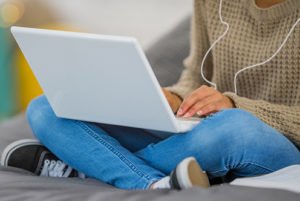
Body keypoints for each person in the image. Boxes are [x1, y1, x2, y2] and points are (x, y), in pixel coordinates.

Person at [2, 0, 300, 190]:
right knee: (47, 107)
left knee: (234, 129)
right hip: (202, 126)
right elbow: (194, 77)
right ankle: (153, 184)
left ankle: (86, 167)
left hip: (268, 141)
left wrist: (236, 105)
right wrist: (172, 99)